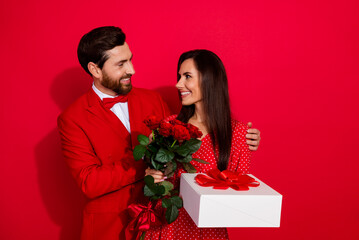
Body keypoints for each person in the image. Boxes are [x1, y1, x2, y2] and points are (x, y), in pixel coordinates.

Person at [57, 26, 260, 240]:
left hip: (163, 223)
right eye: (121, 64)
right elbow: (89, 182)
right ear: (95, 70)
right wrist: (145, 159)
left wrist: (242, 138)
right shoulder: (72, 119)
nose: (132, 70)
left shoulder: (153, 100)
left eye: (130, 59)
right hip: (110, 227)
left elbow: (188, 141)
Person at [145, 49, 257, 240]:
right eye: (179, 76)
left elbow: (239, 197)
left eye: (187, 76)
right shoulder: (168, 127)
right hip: (167, 229)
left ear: (209, 80)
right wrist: (150, 177)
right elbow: (153, 184)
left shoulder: (238, 134)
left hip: (209, 232)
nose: (178, 84)